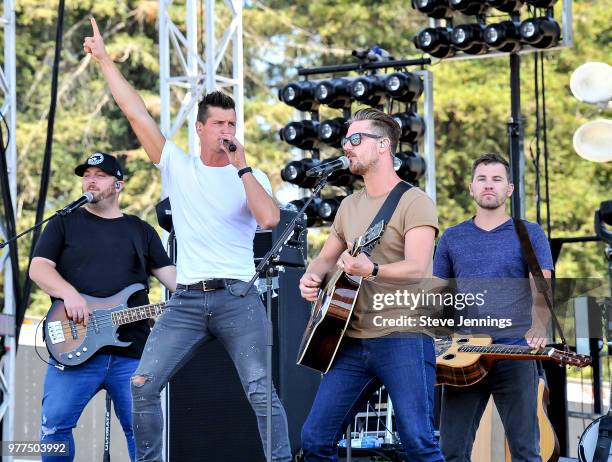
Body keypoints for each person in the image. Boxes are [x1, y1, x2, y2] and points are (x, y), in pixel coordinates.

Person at [83, 17, 292, 462]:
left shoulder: (248, 175)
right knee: (142, 385)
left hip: (238, 295)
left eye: (232, 123)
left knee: (260, 392)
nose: (227, 131)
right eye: (218, 123)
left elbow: (271, 219)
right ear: (200, 128)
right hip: (187, 300)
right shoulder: (179, 165)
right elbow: (135, 111)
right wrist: (103, 60)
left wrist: (244, 166)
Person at [298, 108, 444, 461]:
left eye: (355, 139)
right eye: (346, 139)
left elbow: (418, 268)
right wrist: (312, 276)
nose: (346, 146)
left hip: (402, 337)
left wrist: (372, 269)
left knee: (418, 443)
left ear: (383, 145)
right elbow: (326, 258)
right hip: (349, 342)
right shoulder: (348, 206)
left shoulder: (414, 201)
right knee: (314, 440)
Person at [29, 152, 177, 462]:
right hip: (73, 343)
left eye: (99, 175)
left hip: (132, 352)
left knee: (142, 432)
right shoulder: (63, 222)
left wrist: (205, 287)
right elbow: (39, 268)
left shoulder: (141, 231)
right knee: (53, 427)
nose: (90, 180)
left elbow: (174, 280)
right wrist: (69, 294)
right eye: (86, 175)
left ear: (118, 184)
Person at [433, 153, 553, 462]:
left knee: (526, 451)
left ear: (509, 189)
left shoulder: (529, 233)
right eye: (482, 179)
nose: (489, 186)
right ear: (471, 188)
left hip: (515, 352)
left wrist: (538, 326)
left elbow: (543, 288)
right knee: (451, 452)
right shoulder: (451, 237)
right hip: (464, 356)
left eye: (497, 179)